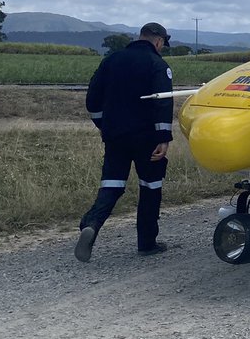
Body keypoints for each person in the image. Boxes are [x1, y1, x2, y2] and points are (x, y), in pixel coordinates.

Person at [74, 22, 175, 262]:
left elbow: (92, 98)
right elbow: (163, 102)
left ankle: (91, 224)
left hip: (115, 135)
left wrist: (103, 124)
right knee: (150, 187)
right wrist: (163, 137)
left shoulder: (111, 60)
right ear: (158, 41)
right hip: (147, 139)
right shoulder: (158, 64)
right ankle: (147, 243)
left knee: (112, 184)